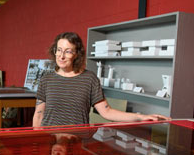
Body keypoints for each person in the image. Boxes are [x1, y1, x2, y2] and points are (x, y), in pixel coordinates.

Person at [33, 32, 170, 127]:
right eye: (59, 50)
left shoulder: (89, 79)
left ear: (76, 54)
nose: (61, 56)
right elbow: (39, 115)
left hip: (76, 141)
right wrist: (36, 140)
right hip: (50, 141)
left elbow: (107, 112)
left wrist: (141, 117)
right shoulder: (47, 78)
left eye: (68, 51)